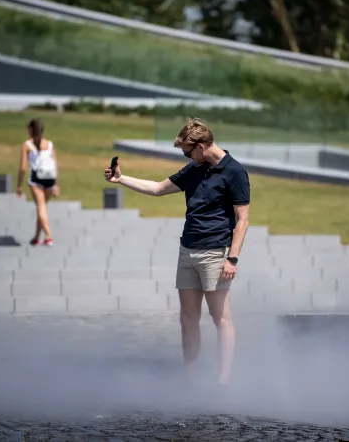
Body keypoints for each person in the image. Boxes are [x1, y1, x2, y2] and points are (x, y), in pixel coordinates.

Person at [104, 117, 251, 386]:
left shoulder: (235, 172)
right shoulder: (195, 168)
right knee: (188, 318)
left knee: (220, 317)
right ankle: (191, 377)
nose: (186, 156)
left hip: (216, 252)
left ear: (202, 146)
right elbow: (159, 188)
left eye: (187, 151)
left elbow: (243, 219)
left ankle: (224, 380)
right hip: (188, 250)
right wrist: (121, 179)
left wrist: (232, 257)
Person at [16, 118, 60, 247]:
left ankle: (48, 236)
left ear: (30, 130)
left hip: (36, 180)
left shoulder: (27, 145)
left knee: (41, 206)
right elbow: (55, 164)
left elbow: (23, 167)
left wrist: (19, 185)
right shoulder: (50, 144)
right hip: (50, 178)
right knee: (43, 208)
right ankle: (36, 237)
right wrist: (56, 184)